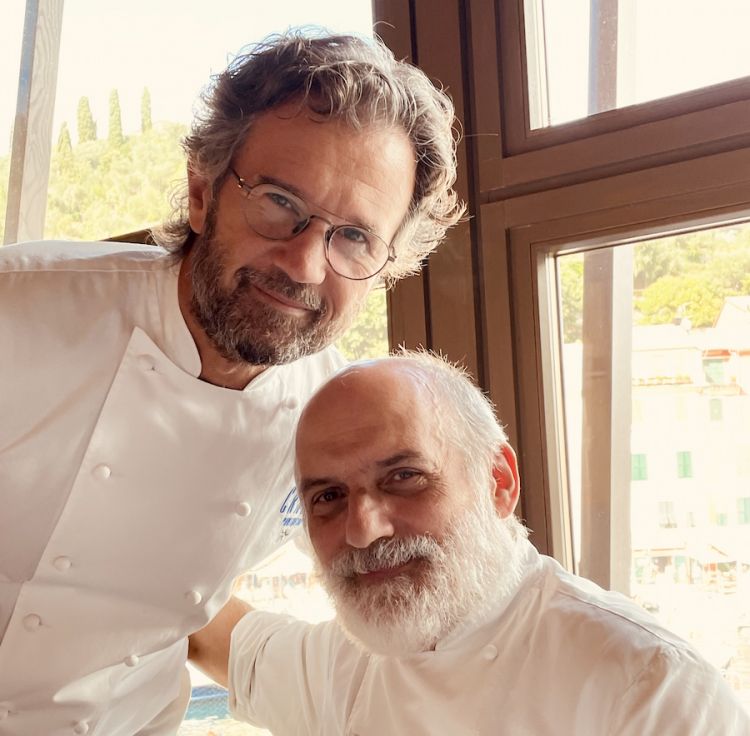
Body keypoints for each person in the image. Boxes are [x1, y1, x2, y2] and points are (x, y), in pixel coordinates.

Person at [0, 33, 462, 735]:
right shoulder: (17, 308)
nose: (306, 263)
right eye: (279, 203)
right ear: (199, 191)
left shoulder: (335, 425)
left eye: (355, 238)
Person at [189, 352, 750, 735]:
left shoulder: (650, 686)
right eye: (328, 496)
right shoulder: (349, 663)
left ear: (498, 481)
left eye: (404, 477)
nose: (362, 530)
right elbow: (208, 633)